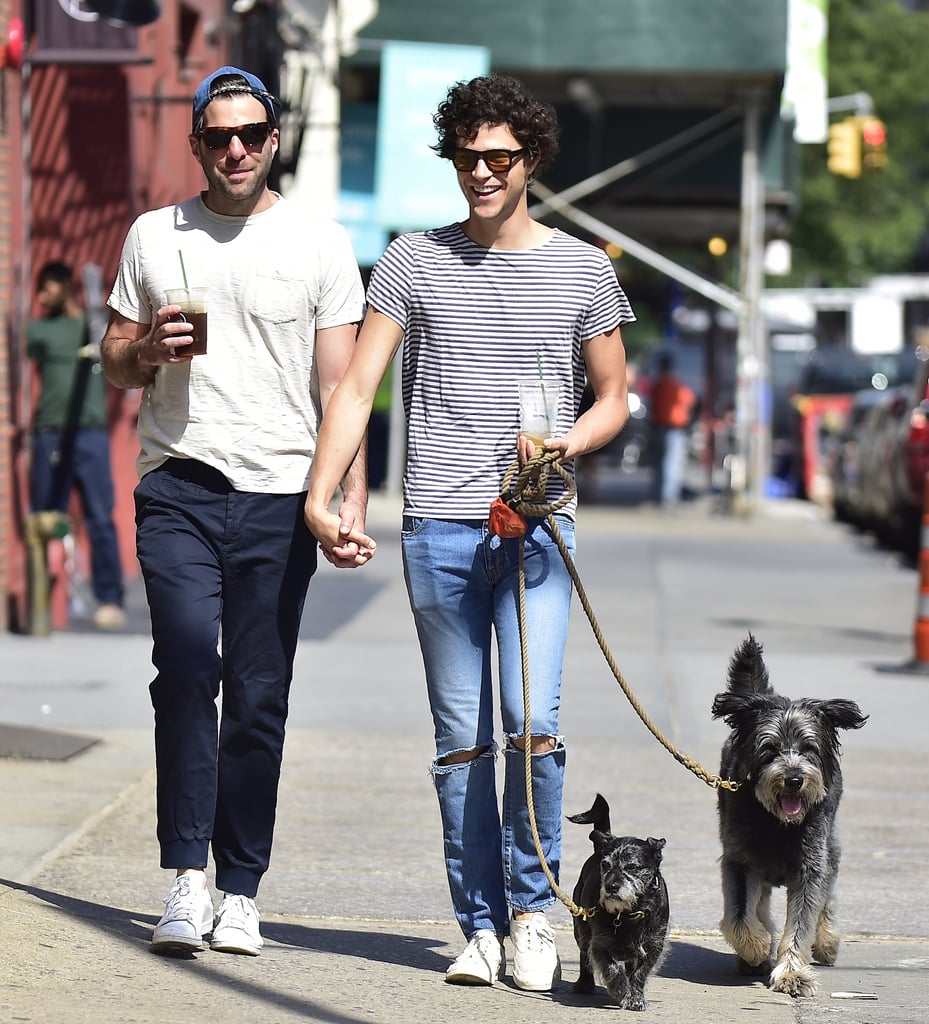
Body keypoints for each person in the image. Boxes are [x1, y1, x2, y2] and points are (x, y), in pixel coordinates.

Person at [304, 74, 633, 990]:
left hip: (538, 531)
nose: (481, 172)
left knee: (532, 726)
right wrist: (322, 494)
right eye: (465, 156)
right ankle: (479, 926)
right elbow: (356, 386)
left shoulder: (582, 268)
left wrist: (570, 439)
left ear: (532, 160)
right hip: (439, 531)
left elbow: (614, 397)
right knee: (461, 740)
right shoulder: (410, 260)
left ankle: (534, 913)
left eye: (499, 157)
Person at [100, 66, 366, 956]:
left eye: (251, 134)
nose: (236, 150)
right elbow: (113, 359)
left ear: (274, 140)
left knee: (258, 695)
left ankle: (240, 889)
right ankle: (185, 879)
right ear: (198, 145)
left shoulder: (321, 245)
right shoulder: (154, 235)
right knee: (183, 666)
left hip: (279, 495)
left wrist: (344, 497)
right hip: (179, 482)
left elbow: (342, 386)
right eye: (219, 137)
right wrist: (144, 349)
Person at [27, 260, 126, 630]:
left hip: (90, 433)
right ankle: (47, 603)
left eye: (47, 287)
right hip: (49, 433)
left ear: (65, 285)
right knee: (47, 517)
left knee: (100, 517)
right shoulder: (38, 331)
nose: (41, 296)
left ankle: (110, 598)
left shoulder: (93, 326)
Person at [648, 352, 696, 506]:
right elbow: (691, 401)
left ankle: (659, 493)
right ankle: (668, 496)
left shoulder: (656, 385)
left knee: (658, 463)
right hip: (674, 428)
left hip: (657, 427)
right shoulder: (677, 386)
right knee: (672, 463)